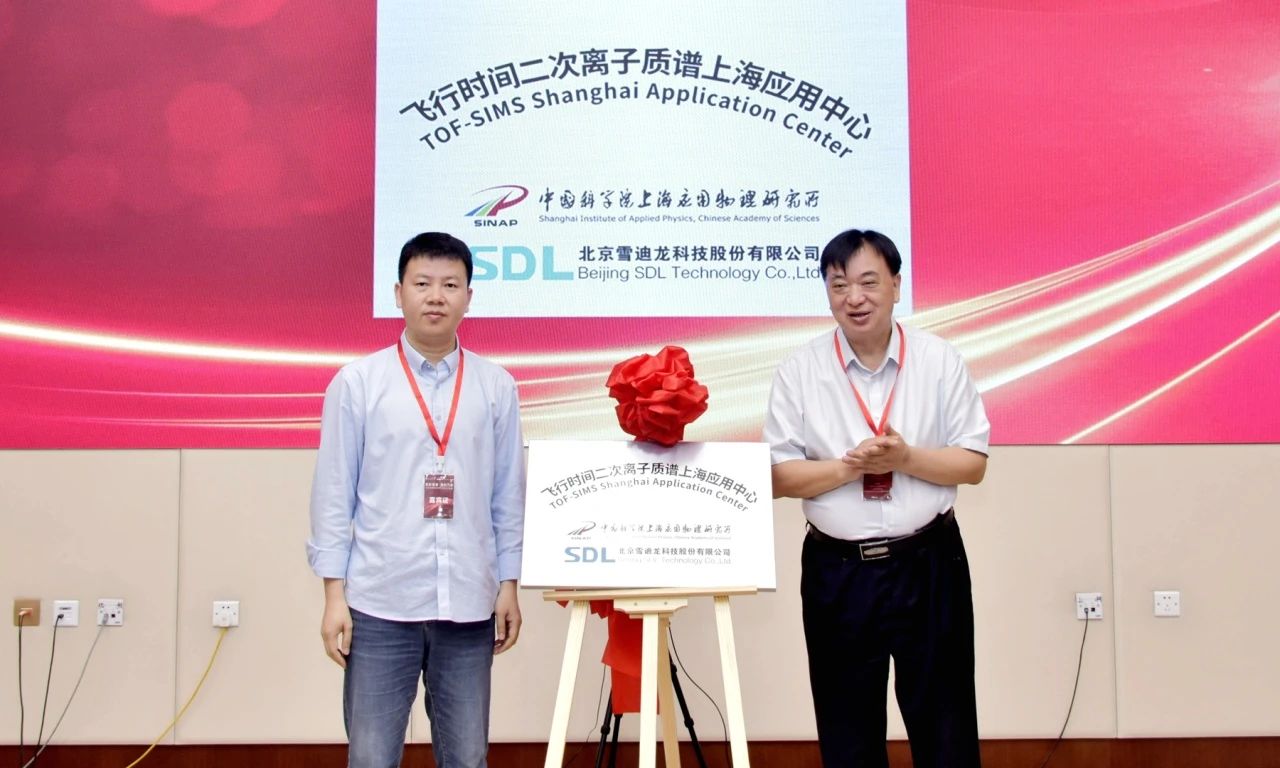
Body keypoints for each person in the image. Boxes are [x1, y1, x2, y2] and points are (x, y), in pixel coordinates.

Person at [763, 229, 990, 768]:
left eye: (868, 282)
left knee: (946, 725)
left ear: (896, 285)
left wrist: (903, 459)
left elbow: (973, 463)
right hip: (837, 571)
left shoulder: (938, 360)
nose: (854, 298)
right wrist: (849, 468)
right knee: (848, 729)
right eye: (839, 285)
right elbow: (778, 477)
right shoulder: (800, 370)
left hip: (929, 563)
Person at [307, 231, 525, 768]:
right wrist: (334, 596)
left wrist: (509, 584)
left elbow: (507, 495)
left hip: (469, 604)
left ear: (468, 297)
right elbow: (333, 494)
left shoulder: (496, 386)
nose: (436, 297)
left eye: (450, 285)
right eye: (422, 283)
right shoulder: (358, 383)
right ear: (398, 293)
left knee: (467, 758)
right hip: (380, 602)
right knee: (372, 758)